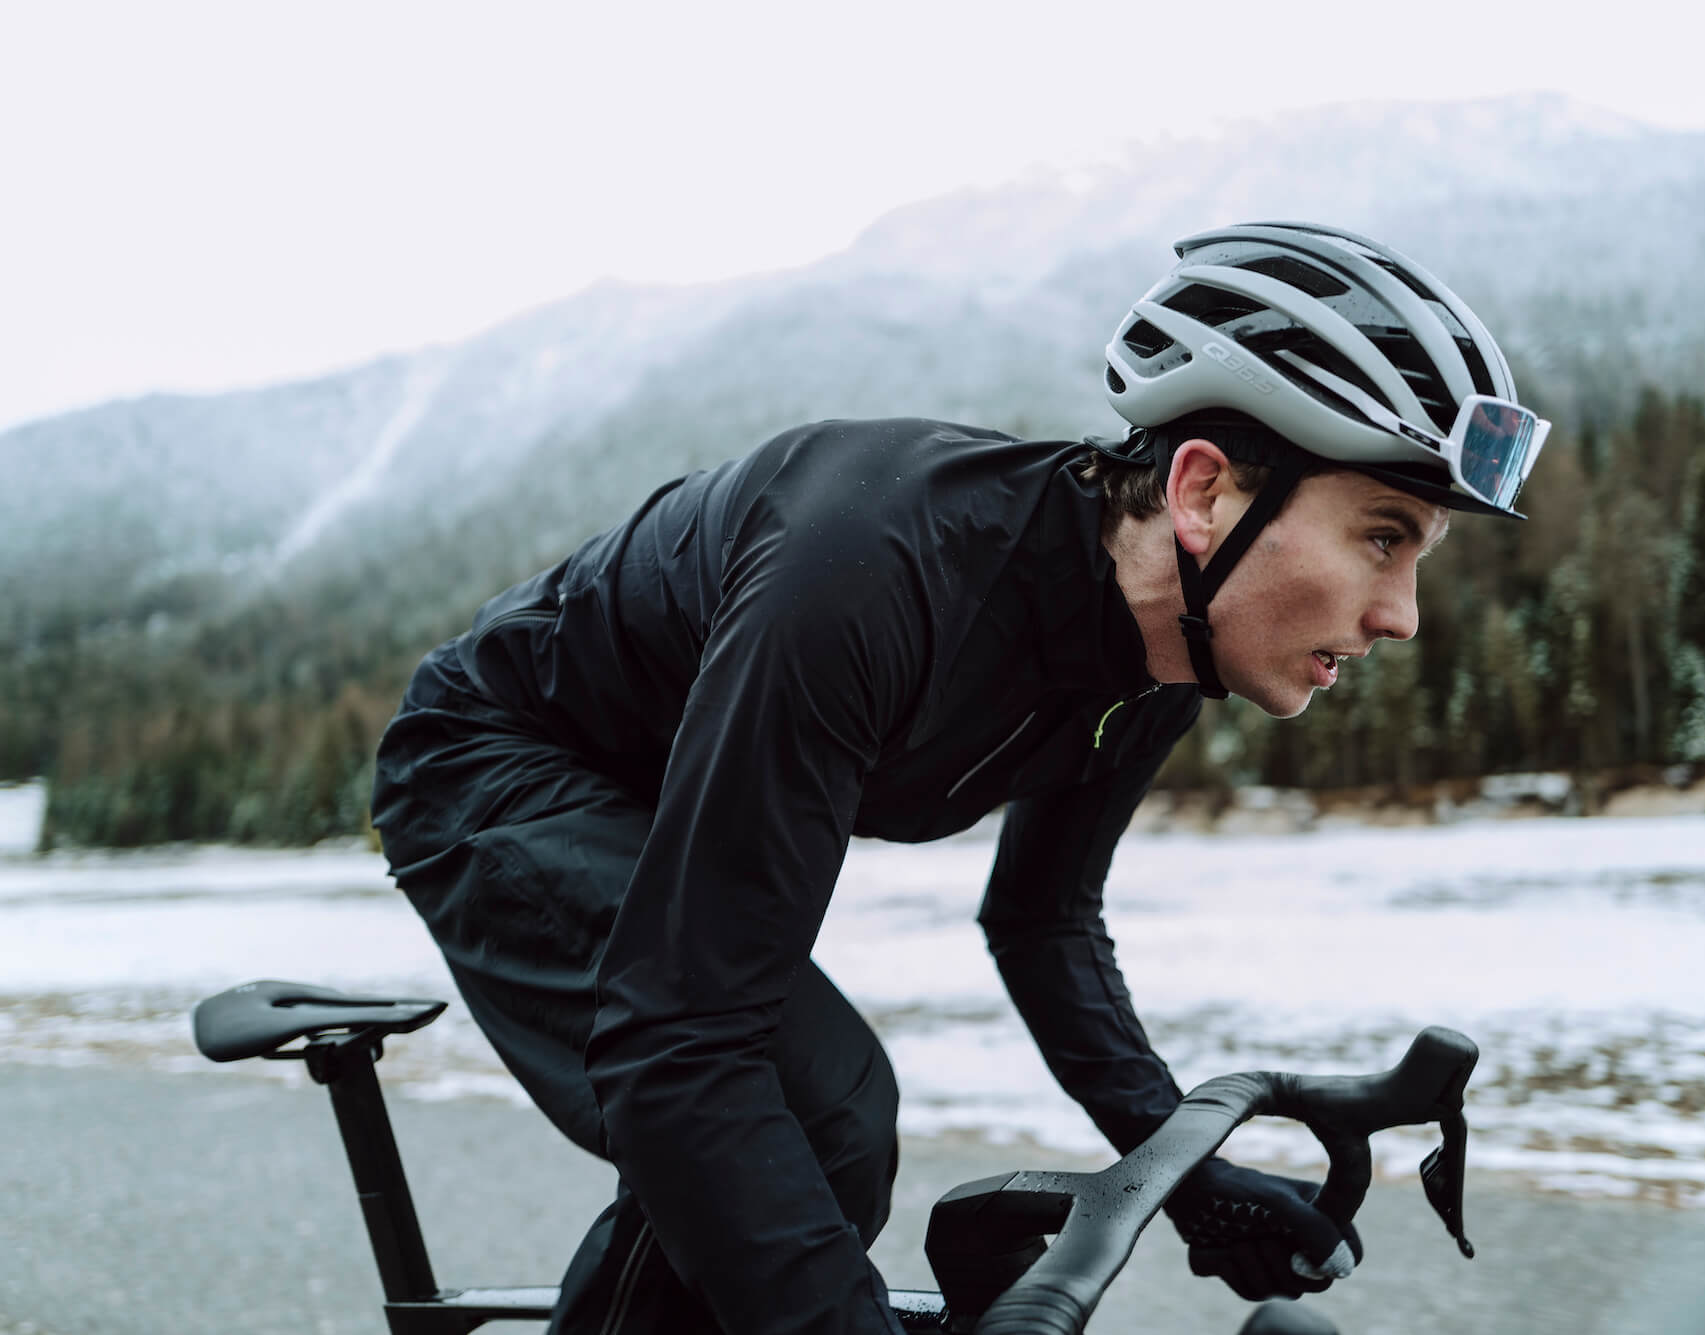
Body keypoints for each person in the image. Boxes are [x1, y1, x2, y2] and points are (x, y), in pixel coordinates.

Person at [370, 220, 1550, 1335]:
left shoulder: (1157, 655)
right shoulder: (875, 579)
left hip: (668, 799)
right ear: (1201, 495)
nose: (1399, 617)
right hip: (500, 761)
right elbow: (679, 1043)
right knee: (811, 1117)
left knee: (767, 1147)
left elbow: (1041, 922)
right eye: (1381, 536)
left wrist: (1194, 1179)